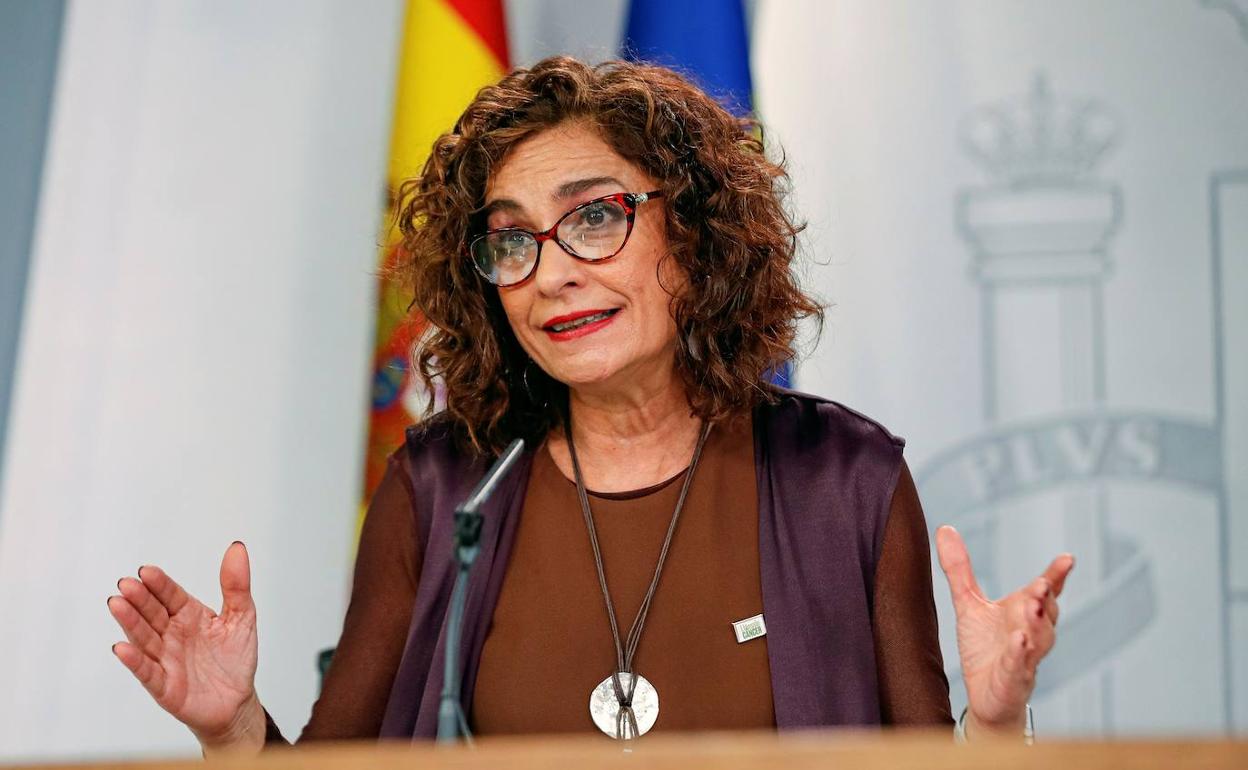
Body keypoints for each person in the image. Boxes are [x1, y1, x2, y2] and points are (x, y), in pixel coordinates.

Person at [106, 56, 1073, 754]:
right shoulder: (443, 491)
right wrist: (233, 728)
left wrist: (994, 724)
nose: (552, 273)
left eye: (596, 217)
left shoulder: (843, 480)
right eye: (511, 240)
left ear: (692, 232)